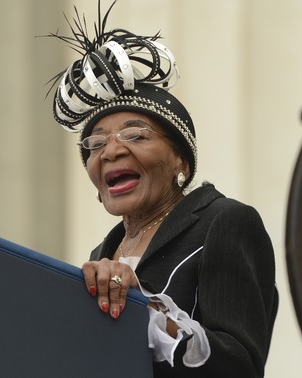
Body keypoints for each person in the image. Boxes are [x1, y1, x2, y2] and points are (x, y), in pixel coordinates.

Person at [47, 2, 278, 376]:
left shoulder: (225, 223)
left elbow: (240, 365)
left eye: (135, 135)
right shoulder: (101, 254)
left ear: (181, 163)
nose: (111, 151)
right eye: (95, 144)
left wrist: (149, 312)